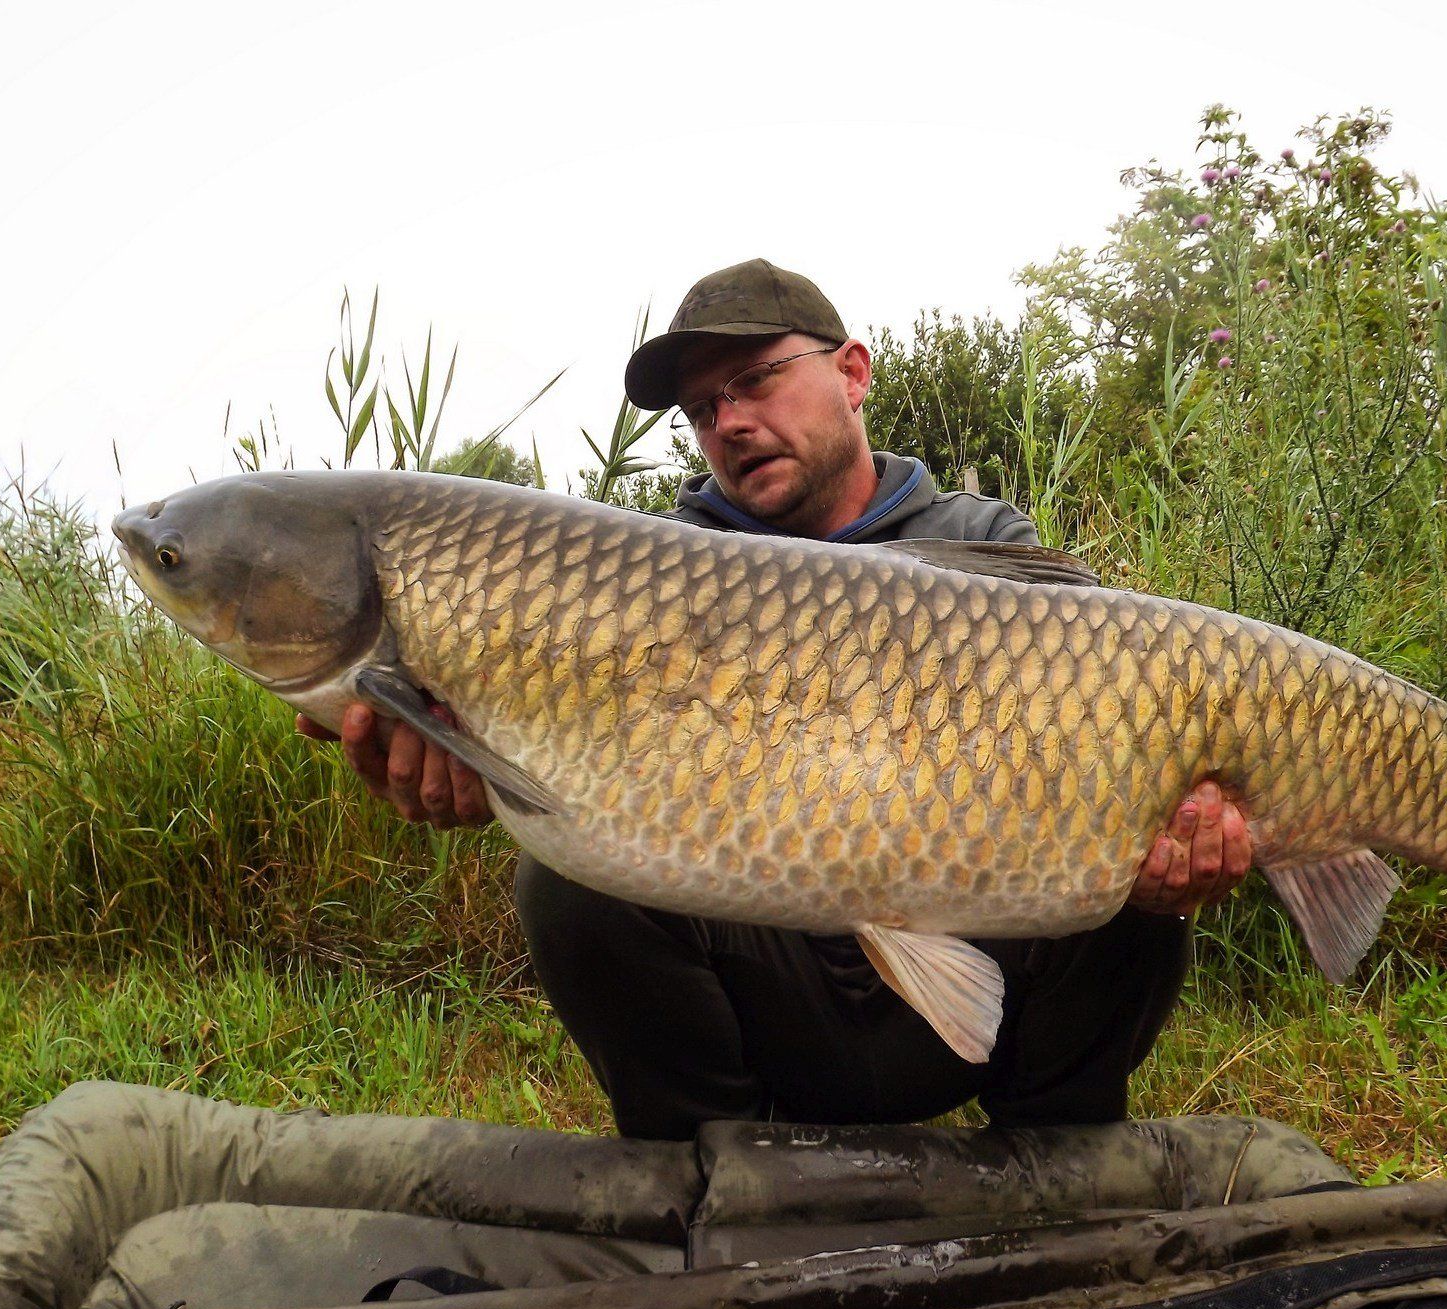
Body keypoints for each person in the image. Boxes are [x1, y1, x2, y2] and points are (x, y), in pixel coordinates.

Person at [298, 260, 1253, 1140]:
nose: (730, 423)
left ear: (853, 372)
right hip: (769, 973)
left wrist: (1185, 847)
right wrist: (469, 764)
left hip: (984, 937)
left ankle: (1062, 1157)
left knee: (1137, 854)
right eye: (701, 411)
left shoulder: (989, 549)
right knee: (565, 872)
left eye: (753, 381)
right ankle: (717, 1174)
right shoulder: (646, 578)